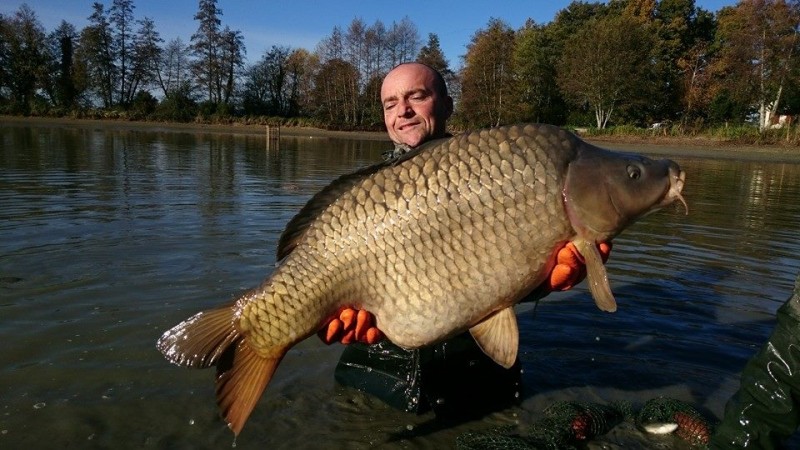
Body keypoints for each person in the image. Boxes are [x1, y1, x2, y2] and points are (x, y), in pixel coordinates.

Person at [318, 62, 609, 416]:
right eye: (390, 103)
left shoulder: (497, 174)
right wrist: (336, 312)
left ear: (446, 105)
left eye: (417, 97)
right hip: (373, 376)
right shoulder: (360, 200)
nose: (403, 111)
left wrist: (543, 283)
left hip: (471, 379)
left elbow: (507, 268)